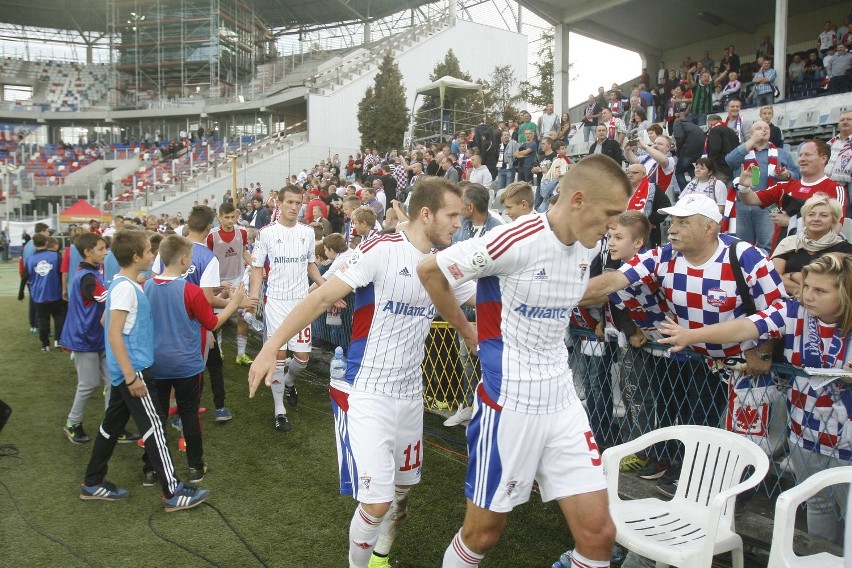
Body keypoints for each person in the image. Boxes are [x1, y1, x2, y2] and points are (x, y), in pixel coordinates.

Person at [248, 177, 475, 568]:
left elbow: (485, 296)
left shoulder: (445, 262)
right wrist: (270, 346)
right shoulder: (380, 249)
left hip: (409, 394)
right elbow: (320, 297)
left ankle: (381, 557)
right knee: (376, 500)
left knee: (401, 493)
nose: (458, 223)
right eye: (451, 215)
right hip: (366, 391)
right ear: (426, 214)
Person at [419, 154, 630, 568]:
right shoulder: (515, 239)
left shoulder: (587, 247)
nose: (612, 227)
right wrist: (466, 328)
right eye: (609, 214)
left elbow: (565, 293)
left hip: (563, 404)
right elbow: (431, 270)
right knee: (483, 534)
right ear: (578, 201)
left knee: (599, 535)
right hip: (510, 407)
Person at [658, 252, 852, 546]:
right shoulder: (794, 311)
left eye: (820, 291)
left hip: (846, 445)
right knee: (817, 506)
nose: (807, 296)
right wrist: (692, 336)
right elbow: (748, 326)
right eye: (806, 286)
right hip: (804, 437)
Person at [79, 229, 209, 511]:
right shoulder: (126, 288)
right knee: (154, 430)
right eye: (149, 251)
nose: (153, 255)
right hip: (134, 373)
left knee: (109, 427)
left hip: (123, 370)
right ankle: (173, 491)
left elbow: (105, 321)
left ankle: (93, 481)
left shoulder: (121, 284)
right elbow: (113, 332)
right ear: (137, 256)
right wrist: (130, 374)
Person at [144, 235, 245, 486]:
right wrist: (234, 303)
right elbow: (212, 323)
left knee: (156, 417)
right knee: (189, 414)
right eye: (189, 256)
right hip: (186, 364)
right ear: (183, 259)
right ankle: (195, 467)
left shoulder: (146, 286)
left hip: (155, 363)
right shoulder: (190, 291)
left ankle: (149, 468)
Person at [248, 185, 325, 432]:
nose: (294, 207)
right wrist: (253, 296)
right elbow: (258, 267)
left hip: (300, 303)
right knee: (278, 357)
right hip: (276, 303)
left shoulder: (307, 233)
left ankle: (290, 383)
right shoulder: (266, 233)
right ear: (279, 203)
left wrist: (326, 289)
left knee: (302, 359)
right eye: (289, 202)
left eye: (298, 203)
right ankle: (279, 410)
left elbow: (311, 266)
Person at [60, 233, 131, 444]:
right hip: (85, 339)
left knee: (113, 381)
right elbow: (104, 297)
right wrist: (131, 286)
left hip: (99, 337)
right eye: (101, 249)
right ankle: (72, 423)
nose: (105, 252)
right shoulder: (86, 277)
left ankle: (112, 426)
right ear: (87, 252)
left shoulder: (94, 271)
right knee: (88, 384)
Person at [735, 139, 846, 250]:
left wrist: (791, 222)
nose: (802, 159)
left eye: (807, 155)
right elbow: (750, 200)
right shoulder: (784, 186)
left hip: (814, 256)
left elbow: (834, 230)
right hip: (781, 255)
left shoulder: (835, 189)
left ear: (823, 159)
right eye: (800, 155)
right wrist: (744, 187)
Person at [771, 195, 852, 296]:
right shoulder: (789, 243)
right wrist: (806, 292)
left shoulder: (845, 250)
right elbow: (773, 278)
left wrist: (793, 275)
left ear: (834, 220)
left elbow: (840, 284)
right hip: (788, 303)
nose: (816, 219)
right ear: (804, 219)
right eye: (811, 214)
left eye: (824, 215)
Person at [208, 202, 253, 366]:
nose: (230, 220)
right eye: (226, 217)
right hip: (219, 282)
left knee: (242, 315)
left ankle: (241, 353)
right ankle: (218, 352)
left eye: (233, 217)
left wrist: (254, 265)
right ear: (219, 217)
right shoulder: (212, 236)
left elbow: (244, 252)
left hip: (238, 279)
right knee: (217, 319)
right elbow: (207, 260)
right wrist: (213, 284)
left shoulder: (242, 232)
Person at [24, 233, 64, 352]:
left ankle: (45, 344)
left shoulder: (30, 259)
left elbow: (25, 276)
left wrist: (21, 292)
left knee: (43, 319)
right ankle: (58, 340)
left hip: (39, 295)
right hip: (54, 293)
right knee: (59, 317)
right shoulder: (55, 256)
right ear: (46, 243)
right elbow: (61, 274)